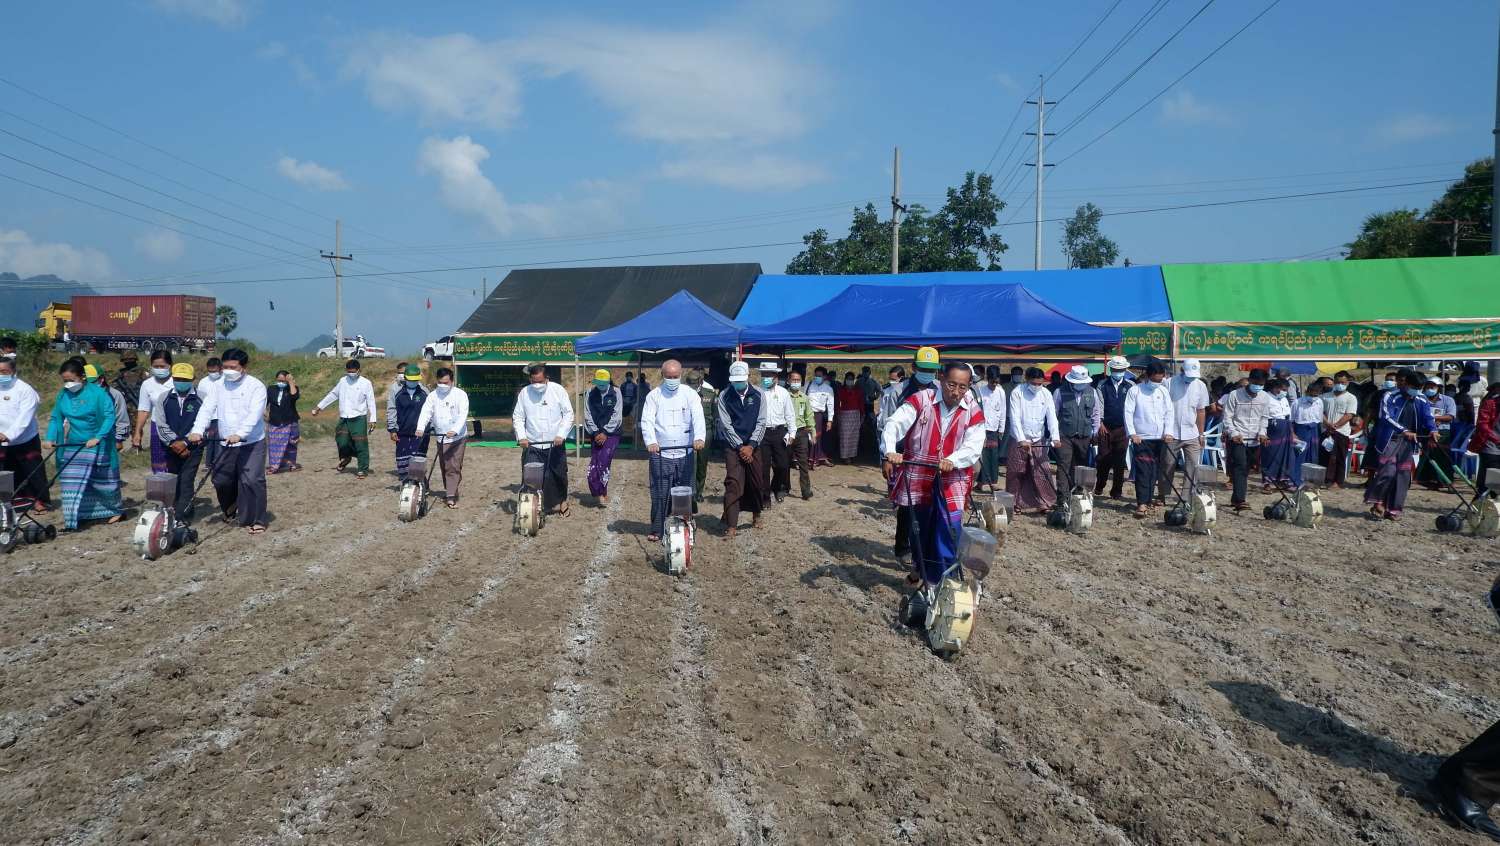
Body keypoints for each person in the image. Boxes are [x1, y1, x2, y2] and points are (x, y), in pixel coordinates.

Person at [882, 362, 986, 586]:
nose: (955, 392)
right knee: (920, 528)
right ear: (941, 379)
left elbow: (973, 446)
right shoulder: (921, 400)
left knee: (949, 528)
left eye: (962, 387)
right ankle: (919, 567)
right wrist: (890, 451)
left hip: (953, 475)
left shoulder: (973, 409)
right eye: (951, 384)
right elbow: (894, 423)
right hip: (919, 471)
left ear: (969, 386)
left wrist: (953, 460)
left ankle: (941, 581)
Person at [188, 348, 268, 533]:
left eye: (233, 367)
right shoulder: (218, 386)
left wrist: (240, 433)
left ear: (244, 367)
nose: (228, 371)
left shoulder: (256, 386)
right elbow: (207, 409)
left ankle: (256, 519)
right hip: (225, 441)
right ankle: (231, 507)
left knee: (251, 480)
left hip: (251, 441)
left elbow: (255, 414)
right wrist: (197, 430)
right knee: (221, 480)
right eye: (225, 367)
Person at [45, 359, 123, 530]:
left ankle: (114, 510)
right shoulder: (63, 395)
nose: (68, 384)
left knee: (103, 482)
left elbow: (109, 416)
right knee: (71, 481)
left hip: (98, 441)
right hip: (74, 443)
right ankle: (75, 517)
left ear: (82, 377)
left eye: (71, 380)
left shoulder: (98, 394)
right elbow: (56, 418)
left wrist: (98, 437)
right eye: (65, 380)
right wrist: (50, 438)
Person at [641, 359, 707, 540]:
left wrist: (699, 438)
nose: (672, 380)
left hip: (685, 451)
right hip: (661, 452)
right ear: (662, 375)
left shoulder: (690, 394)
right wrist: (651, 441)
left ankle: (683, 527)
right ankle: (657, 529)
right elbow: (647, 421)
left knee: (684, 491)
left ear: (681, 374)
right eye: (668, 377)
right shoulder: (654, 396)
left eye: (675, 376)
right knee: (660, 492)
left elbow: (698, 417)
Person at [1366, 372, 1435, 520]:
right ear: (1407, 384)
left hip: (1409, 442)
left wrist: (1433, 429)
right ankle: (1378, 501)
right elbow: (1386, 417)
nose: (1417, 390)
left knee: (1403, 475)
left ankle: (1394, 509)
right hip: (1390, 439)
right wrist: (1403, 430)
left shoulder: (1422, 399)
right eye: (1414, 387)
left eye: (1419, 388)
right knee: (1388, 471)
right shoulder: (1390, 396)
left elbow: (1428, 417)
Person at [512, 363, 573, 516]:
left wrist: (561, 434)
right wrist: (522, 436)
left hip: (555, 443)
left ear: (547, 378)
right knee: (531, 477)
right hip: (533, 444)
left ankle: (562, 502)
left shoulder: (558, 390)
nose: (537, 384)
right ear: (530, 379)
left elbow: (568, 414)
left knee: (559, 475)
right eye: (534, 381)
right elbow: (518, 417)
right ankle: (533, 508)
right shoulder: (525, 393)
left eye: (540, 381)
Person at [716, 361, 766, 537]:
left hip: (754, 445)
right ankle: (731, 525)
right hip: (733, 446)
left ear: (748, 377)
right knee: (733, 483)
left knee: (757, 482)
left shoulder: (759, 394)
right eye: (735, 381)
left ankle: (756, 514)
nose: (738, 383)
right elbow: (726, 425)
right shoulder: (724, 396)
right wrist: (740, 447)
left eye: (741, 380)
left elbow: (761, 422)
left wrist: (751, 446)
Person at [152, 363, 204, 521]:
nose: (181, 382)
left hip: (194, 447)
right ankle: (174, 509)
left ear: (193, 379)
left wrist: (186, 443)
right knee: (174, 478)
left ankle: (183, 516)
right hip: (170, 447)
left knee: (187, 479)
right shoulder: (164, 398)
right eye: (178, 378)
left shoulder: (202, 398)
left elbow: (204, 423)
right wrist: (174, 443)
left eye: (185, 379)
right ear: (173, 378)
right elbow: (161, 424)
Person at [311, 359, 379, 478]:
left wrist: (373, 418)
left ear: (359, 370)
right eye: (349, 372)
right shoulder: (343, 381)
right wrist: (319, 407)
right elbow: (333, 394)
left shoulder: (366, 383)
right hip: (344, 417)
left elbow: (371, 401)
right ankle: (346, 457)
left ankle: (362, 469)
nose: (351, 374)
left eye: (353, 372)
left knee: (360, 443)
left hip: (358, 418)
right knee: (341, 440)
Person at [1007, 367, 1060, 515]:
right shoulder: (1017, 392)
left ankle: (1044, 502)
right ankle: (1013, 504)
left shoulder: (1046, 393)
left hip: (1038, 437)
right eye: (1034, 383)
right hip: (1019, 438)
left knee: (1041, 471)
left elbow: (1052, 417)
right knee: (1016, 472)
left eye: (1040, 384)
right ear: (1027, 380)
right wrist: (1021, 439)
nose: (1037, 386)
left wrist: (1055, 437)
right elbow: (1015, 417)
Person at [0, 356, 50, 512]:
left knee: (33, 471)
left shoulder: (25, 390)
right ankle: (9, 503)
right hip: (1, 441)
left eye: (4, 371)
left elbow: (25, 417)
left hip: (24, 439)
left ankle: (40, 501)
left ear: (13, 371)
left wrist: (8, 435)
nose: (1, 375)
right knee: (6, 473)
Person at [414, 367, 469, 508]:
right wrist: (420, 428)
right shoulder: (433, 396)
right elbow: (426, 412)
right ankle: (451, 489)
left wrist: (455, 430)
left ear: (452, 381)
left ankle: (451, 496)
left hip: (457, 437)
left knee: (453, 466)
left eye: (446, 382)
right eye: (440, 382)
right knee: (444, 466)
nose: (443, 385)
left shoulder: (460, 395)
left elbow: (463, 415)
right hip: (441, 436)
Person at [1124, 362, 1172, 517]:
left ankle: (1149, 499)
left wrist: (1168, 432)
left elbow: (1169, 413)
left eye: (1160, 380)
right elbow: (1128, 413)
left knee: (1154, 471)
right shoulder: (1135, 391)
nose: (1158, 382)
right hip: (1141, 438)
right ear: (1148, 376)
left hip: (1160, 438)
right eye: (1155, 380)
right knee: (1143, 470)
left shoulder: (1163, 391)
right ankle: (1142, 503)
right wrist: (1132, 434)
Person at [1158, 358, 1209, 502]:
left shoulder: (1200, 386)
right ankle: (1163, 494)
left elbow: (1201, 411)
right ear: (1182, 371)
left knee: (1192, 465)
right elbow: (1161, 409)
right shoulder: (1169, 383)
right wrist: (1164, 431)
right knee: (1167, 464)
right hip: (1171, 433)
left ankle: (1186, 497)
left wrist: (1201, 434)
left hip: (1192, 433)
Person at [1221, 369, 1271, 513]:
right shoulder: (1235, 395)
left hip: (1254, 439)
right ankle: (1240, 500)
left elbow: (1264, 418)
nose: (1258, 386)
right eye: (1256, 383)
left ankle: (1235, 498)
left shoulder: (1264, 397)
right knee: (1240, 466)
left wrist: (1262, 433)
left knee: (1247, 468)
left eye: (1261, 384)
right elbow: (1227, 417)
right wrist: (1234, 433)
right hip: (1238, 438)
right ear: (1250, 380)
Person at [1054, 365, 1101, 494]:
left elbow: (1096, 414)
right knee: (1064, 464)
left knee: (1081, 465)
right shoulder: (1060, 392)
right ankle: (1063, 495)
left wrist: (1094, 432)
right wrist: (1054, 434)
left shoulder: (1092, 392)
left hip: (1084, 436)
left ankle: (1078, 493)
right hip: (1065, 435)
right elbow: (1053, 414)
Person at [1094, 356, 1133, 500]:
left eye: (1121, 369)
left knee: (1119, 461)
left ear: (1125, 369)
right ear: (1111, 369)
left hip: (1123, 428)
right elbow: (1099, 405)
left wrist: (1130, 428)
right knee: (1103, 459)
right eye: (1115, 369)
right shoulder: (1102, 385)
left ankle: (1117, 491)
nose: (1118, 371)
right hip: (1106, 427)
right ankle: (1100, 484)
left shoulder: (1131, 386)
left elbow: (1132, 407)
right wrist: (1100, 423)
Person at [131, 348, 175, 473]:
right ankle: (160, 482)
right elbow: (143, 410)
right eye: (156, 366)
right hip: (157, 426)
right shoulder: (147, 384)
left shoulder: (177, 382)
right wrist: (137, 432)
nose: (159, 369)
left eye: (162, 366)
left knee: (175, 459)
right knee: (158, 460)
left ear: (170, 366)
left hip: (176, 425)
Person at [583, 369, 623, 504]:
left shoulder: (616, 392)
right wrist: (595, 433)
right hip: (595, 433)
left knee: (604, 461)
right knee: (594, 463)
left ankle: (603, 491)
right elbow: (587, 414)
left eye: (603, 383)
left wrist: (605, 432)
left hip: (612, 433)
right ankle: (597, 490)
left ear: (608, 381)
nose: (600, 385)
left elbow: (617, 415)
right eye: (598, 383)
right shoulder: (590, 393)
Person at [758, 362, 796, 502]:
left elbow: (790, 414)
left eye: (769, 375)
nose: (766, 378)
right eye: (764, 375)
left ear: (776, 377)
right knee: (764, 467)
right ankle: (765, 496)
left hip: (779, 432)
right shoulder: (757, 392)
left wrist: (792, 433)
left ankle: (777, 487)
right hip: (762, 433)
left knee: (783, 465)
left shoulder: (783, 392)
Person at [386, 364, 430, 482]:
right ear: (405, 378)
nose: (413, 382)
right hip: (402, 432)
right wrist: (392, 429)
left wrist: (430, 427)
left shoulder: (424, 392)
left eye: (415, 380)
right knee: (403, 460)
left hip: (420, 433)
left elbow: (431, 411)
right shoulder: (396, 391)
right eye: (410, 380)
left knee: (418, 460)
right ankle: (406, 484)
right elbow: (391, 409)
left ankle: (420, 485)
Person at [1419, 376, 1459, 488]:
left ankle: (1446, 480)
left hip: (1442, 431)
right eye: (1428, 386)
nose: (1429, 389)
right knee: (1427, 456)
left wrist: (1435, 419)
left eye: (1432, 387)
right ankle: (1428, 479)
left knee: (1442, 456)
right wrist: (1430, 421)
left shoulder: (1448, 400)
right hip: (1425, 430)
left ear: (1439, 388)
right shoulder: (1421, 399)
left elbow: (1450, 416)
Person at [1322, 371, 1359, 489]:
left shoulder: (1351, 398)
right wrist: (1328, 424)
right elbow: (1320, 412)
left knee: (1340, 457)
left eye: (1343, 382)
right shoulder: (1325, 396)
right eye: (1337, 382)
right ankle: (1325, 479)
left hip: (1342, 431)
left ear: (1347, 382)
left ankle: (1338, 481)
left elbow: (1349, 415)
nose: (1340, 384)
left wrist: (1336, 425)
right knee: (1325, 456)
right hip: (1326, 430)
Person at [1260, 378, 1297, 491]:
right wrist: (1263, 433)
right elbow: (1262, 417)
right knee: (1270, 456)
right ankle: (1267, 482)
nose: (1284, 392)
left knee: (1286, 457)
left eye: (1286, 390)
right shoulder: (1265, 398)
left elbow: (1288, 417)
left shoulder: (1284, 399)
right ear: (1275, 388)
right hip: (1271, 430)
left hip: (1285, 429)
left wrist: (1292, 433)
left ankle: (1283, 480)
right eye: (1283, 390)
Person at [976, 366, 1007, 492]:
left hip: (994, 429)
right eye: (992, 382)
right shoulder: (980, 391)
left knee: (993, 455)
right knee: (983, 455)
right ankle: (982, 482)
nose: (994, 384)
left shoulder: (1000, 392)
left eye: (996, 382)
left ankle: (993, 482)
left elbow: (1003, 410)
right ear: (987, 379)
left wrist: (1002, 428)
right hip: (981, 428)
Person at [688, 370, 718, 505]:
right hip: (688, 432)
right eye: (690, 383)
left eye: (694, 383)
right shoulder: (683, 394)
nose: (692, 385)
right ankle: (690, 491)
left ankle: (699, 491)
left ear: (700, 382)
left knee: (702, 462)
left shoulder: (710, 394)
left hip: (706, 431)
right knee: (690, 462)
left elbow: (714, 414)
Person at [1290, 379, 1326, 488]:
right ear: (1307, 392)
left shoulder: (1319, 402)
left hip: (1314, 430)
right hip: (1301, 430)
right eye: (1312, 394)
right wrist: (1293, 433)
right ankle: (1296, 481)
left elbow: (1320, 419)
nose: (1314, 397)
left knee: (1313, 456)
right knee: (1299, 455)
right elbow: (1291, 420)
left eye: (1316, 394)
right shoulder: (1297, 402)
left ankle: (1310, 482)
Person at [87, 364, 129, 452]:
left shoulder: (115, 395)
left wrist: (119, 439)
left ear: (101, 379)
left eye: (91, 382)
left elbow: (122, 419)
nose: (88, 385)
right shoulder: (81, 395)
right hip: (86, 439)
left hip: (108, 439)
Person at [787, 370, 815, 500]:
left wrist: (812, 432)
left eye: (798, 380)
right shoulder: (784, 396)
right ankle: (784, 488)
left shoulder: (804, 398)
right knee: (784, 462)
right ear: (788, 381)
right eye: (794, 380)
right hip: (787, 432)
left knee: (803, 463)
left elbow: (809, 415)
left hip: (801, 432)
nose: (796, 382)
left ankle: (806, 491)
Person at [266, 370, 301, 473]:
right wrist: (265, 414)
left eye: (283, 381)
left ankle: (291, 464)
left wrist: (291, 382)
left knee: (291, 443)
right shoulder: (271, 389)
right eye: (279, 380)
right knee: (274, 444)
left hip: (290, 420)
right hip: (275, 420)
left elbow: (294, 396)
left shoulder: (292, 388)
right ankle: (274, 466)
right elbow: (265, 403)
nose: (281, 383)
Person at [1470, 382, 1500, 498]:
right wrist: (1497, 439)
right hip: (1491, 447)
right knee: (1490, 483)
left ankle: (1488, 504)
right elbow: (1482, 425)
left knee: (1494, 485)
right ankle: (1478, 505)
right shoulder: (1490, 404)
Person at [197, 357, 224, 467]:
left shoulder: (226, 380)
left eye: (215, 371)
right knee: (210, 440)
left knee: (219, 440)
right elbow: (200, 399)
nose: (212, 373)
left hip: (222, 416)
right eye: (210, 371)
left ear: (221, 369)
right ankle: (209, 463)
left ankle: (218, 463)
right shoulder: (203, 382)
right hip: (209, 416)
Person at [807, 366, 835, 468]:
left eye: (819, 376)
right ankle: (807, 458)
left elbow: (830, 405)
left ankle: (816, 459)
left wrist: (830, 421)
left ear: (824, 377)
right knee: (807, 436)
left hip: (819, 415)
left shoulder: (828, 389)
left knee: (817, 437)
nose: (817, 377)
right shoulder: (809, 385)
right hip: (807, 414)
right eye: (816, 375)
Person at [834, 370, 864, 463]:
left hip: (855, 415)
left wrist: (862, 414)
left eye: (851, 379)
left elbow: (861, 403)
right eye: (848, 379)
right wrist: (837, 414)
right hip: (844, 415)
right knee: (845, 437)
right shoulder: (841, 390)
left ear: (854, 380)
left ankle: (852, 455)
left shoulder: (858, 391)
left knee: (854, 437)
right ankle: (845, 456)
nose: (850, 381)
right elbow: (837, 403)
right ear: (845, 379)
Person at [112, 350, 144, 415]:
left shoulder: (142, 372)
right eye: (126, 362)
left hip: (140, 405)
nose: (128, 363)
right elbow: (112, 387)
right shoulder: (120, 373)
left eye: (130, 361)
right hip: (125, 407)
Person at [877, 366, 907, 431]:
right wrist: (879, 423)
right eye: (890, 379)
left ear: (901, 378)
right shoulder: (885, 389)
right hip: (886, 424)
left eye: (893, 379)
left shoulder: (906, 390)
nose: (891, 381)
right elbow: (882, 408)